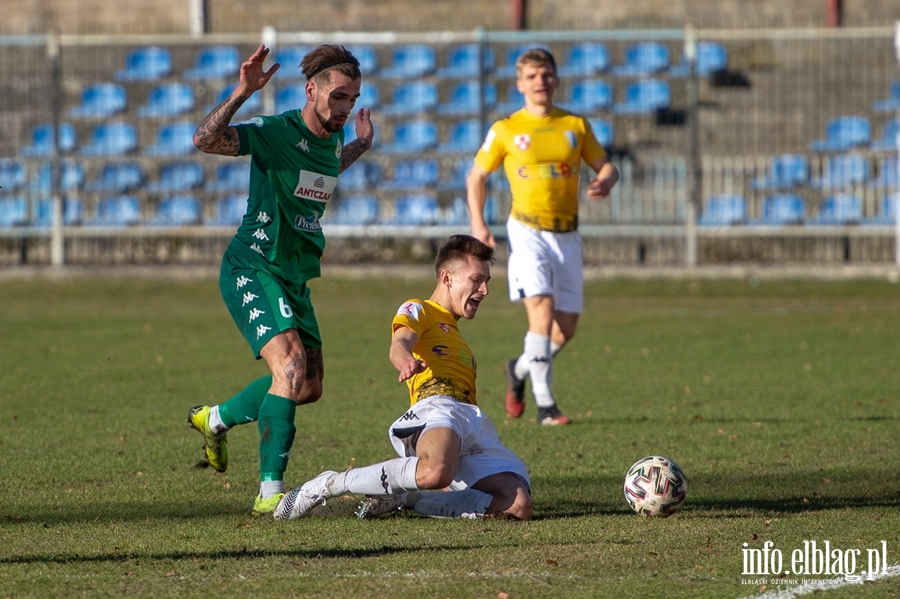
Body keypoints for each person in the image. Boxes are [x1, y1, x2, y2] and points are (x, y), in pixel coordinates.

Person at [185, 44, 374, 516]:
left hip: (294, 275)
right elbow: (205, 140)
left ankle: (216, 419)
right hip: (253, 264)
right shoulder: (275, 131)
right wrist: (242, 91)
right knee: (289, 366)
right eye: (338, 97)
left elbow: (322, 170)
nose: (345, 107)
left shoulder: (333, 136)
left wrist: (359, 146)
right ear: (312, 91)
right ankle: (270, 496)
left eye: (353, 99)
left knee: (306, 385)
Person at [273, 235, 532, 521]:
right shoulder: (420, 308)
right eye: (476, 280)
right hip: (438, 407)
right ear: (447, 278)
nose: (484, 290)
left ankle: (410, 497)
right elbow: (400, 342)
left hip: (472, 421)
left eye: (487, 281)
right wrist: (405, 358)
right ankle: (327, 484)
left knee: (516, 504)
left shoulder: (454, 332)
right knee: (435, 470)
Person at [466, 47, 619, 426]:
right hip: (527, 230)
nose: (540, 82)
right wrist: (479, 225)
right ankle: (546, 406)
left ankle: (517, 369)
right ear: (520, 84)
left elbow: (608, 166)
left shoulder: (575, 125)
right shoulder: (506, 129)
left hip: (567, 235)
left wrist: (606, 180)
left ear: (556, 79)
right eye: (532, 76)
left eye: (546, 74)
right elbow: (476, 177)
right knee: (542, 310)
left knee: (564, 328)